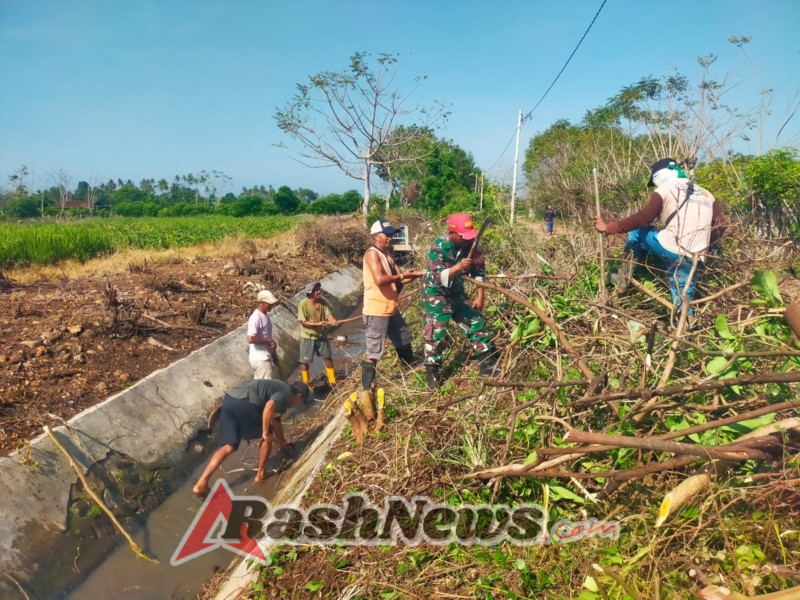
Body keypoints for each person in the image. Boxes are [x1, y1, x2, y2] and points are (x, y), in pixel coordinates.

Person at [594, 157, 725, 320]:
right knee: (683, 302)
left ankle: (623, 279)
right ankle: (685, 331)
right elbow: (721, 226)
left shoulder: (665, 188)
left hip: (671, 248)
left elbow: (643, 218)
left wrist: (609, 227)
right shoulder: (706, 194)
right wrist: (706, 248)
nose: (656, 186)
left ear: (660, 177)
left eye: (655, 182)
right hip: (695, 257)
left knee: (636, 231)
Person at [358, 219, 424, 432]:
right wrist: (403, 275)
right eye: (385, 234)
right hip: (376, 310)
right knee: (374, 351)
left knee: (403, 337)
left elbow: (396, 280)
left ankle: (409, 371)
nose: (389, 237)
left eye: (391, 234)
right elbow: (380, 279)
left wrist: (412, 275)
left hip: (390, 307)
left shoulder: (387, 255)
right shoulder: (372, 254)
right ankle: (367, 392)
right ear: (375, 236)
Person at [193, 379, 309, 496]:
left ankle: (201, 484)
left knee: (229, 446)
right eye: (302, 402)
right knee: (268, 433)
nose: (298, 405)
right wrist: (265, 432)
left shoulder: (279, 389)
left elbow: (277, 424)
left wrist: (283, 445)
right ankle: (261, 473)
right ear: (299, 397)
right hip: (247, 402)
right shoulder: (286, 392)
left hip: (229, 400)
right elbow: (269, 406)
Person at [422, 213, 495, 389]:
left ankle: (487, 364)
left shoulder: (472, 245)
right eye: (463, 236)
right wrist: (458, 267)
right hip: (436, 294)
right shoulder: (438, 248)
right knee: (435, 334)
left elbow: (479, 271)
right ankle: (433, 373)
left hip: (456, 292)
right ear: (451, 233)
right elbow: (437, 277)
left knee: (476, 322)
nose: (467, 239)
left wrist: (480, 296)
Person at [298, 281, 339, 387]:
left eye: (319, 289)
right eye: (316, 290)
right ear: (310, 292)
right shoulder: (303, 304)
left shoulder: (322, 302)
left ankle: (332, 380)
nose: (319, 292)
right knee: (304, 361)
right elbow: (303, 322)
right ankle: (306, 383)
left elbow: (328, 314)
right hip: (307, 336)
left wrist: (332, 320)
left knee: (327, 356)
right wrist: (317, 324)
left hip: (321, 335)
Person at [247, 289, 280, 379]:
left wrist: (274, 355)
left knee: (260, 385)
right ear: (261, 302)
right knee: (266, 385)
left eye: (272, 304)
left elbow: (266, 336)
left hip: (265, 356)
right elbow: (250, 339)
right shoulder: (256, 317)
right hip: (260, 359)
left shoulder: (265, 315)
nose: (271, 306)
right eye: (269, 304)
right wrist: (268, 340)